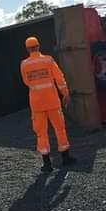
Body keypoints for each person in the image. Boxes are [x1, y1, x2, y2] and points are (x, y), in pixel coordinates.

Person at [20, 36, 76, 173]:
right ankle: (65, 157)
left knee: (41, 133)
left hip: (36, 104)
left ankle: (47, 164)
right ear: (38, 46)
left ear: (27, 49)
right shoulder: (48, 60)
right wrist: (65, 93)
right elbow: (60, 78)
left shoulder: (24, 65)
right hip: (52, 101)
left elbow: (26, 82)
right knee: (59, 129)